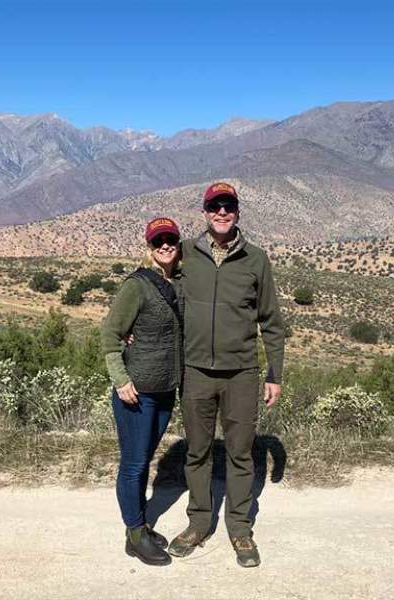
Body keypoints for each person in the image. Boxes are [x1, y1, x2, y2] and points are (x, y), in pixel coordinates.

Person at [168, 182, 285, 568]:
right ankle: (199, 523)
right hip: (196, 371)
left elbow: (271, 321)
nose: (221, 212)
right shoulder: (186, 253)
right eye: (214, 206)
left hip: (241, 374)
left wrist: (274, 373)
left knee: (240, 453)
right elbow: (156, 286)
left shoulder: (256, 259)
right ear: (204, 211)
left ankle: (239, 528)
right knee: (197, 452)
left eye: (228, 206)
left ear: (237, 211)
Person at [101, 217, 184, 567]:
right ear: (148, 247)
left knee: (145, 458)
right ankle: (134, 534)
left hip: (165, 390)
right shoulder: (136, 286)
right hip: (136, 392)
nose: (165, 246)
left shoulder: (180, 283)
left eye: (171, 240)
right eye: (158, 241)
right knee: (134, 464)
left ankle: (141, 525)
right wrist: (121, 380)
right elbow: (109, 334)